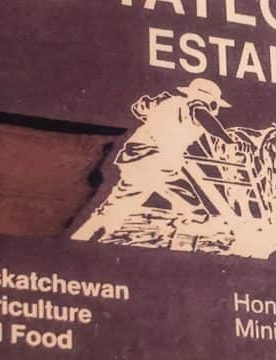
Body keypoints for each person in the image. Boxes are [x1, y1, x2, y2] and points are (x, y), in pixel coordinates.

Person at [72, 79, 241, 240]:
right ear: (207, 100)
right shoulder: (196, 106)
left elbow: (140, 108)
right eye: (215, 104)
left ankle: (190, 229)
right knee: (120, 206)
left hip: (152, 161)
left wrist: (154, 107)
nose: (216, 110)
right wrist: (228, 140)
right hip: (153, 161)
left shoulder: (168, 102)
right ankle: (86, 236)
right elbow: (206, 118)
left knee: (190, 202)